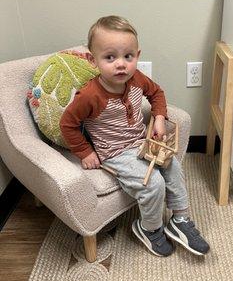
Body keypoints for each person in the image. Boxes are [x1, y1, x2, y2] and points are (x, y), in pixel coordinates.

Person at [60, 15, 210, 257]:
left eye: (127, 56)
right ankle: (148, 229)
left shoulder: (136, 78)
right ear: (93, 60)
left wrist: (159, 118)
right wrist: (85, 152)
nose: (121, 64)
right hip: (115, 153)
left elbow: (157, 93)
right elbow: (67, 124)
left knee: (173, 167)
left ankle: (180, 220)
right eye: (110, 57)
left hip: (142, 141)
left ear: (137, 56)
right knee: (152, 183)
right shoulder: (90, 95)